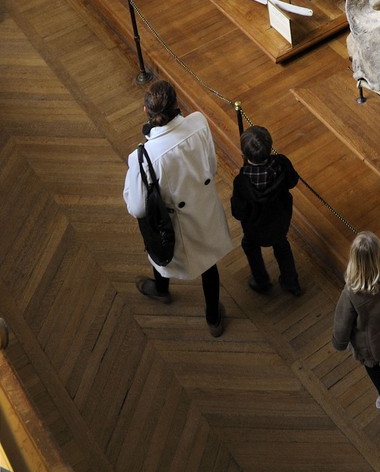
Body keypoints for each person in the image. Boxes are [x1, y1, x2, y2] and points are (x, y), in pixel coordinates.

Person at [122, 79, 233, 337]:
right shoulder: (198, 122)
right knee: (208, 265)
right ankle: (213, 318)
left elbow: (138, 207)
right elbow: (211, 167)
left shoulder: (144, 156)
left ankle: (161, 290)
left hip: (172, 224)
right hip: (204, 212)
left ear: (147, 112)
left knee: (162, 255)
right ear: (176, 103)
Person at [331, 231, 380, 412]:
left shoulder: (351, 291)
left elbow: (343, 320)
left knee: (370, 364)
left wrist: (340, 341)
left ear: (355, 260)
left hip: (367, 341)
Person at [230, 125, 303, 296]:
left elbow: (238, 213)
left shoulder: (242, 181)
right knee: (282, 246)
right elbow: (292, 181)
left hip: (255, 229)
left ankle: (261, 281)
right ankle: (291, 283)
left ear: (244, 156)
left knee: (249, 245)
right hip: (280, 222)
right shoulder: (282, 163)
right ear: (270, 148)